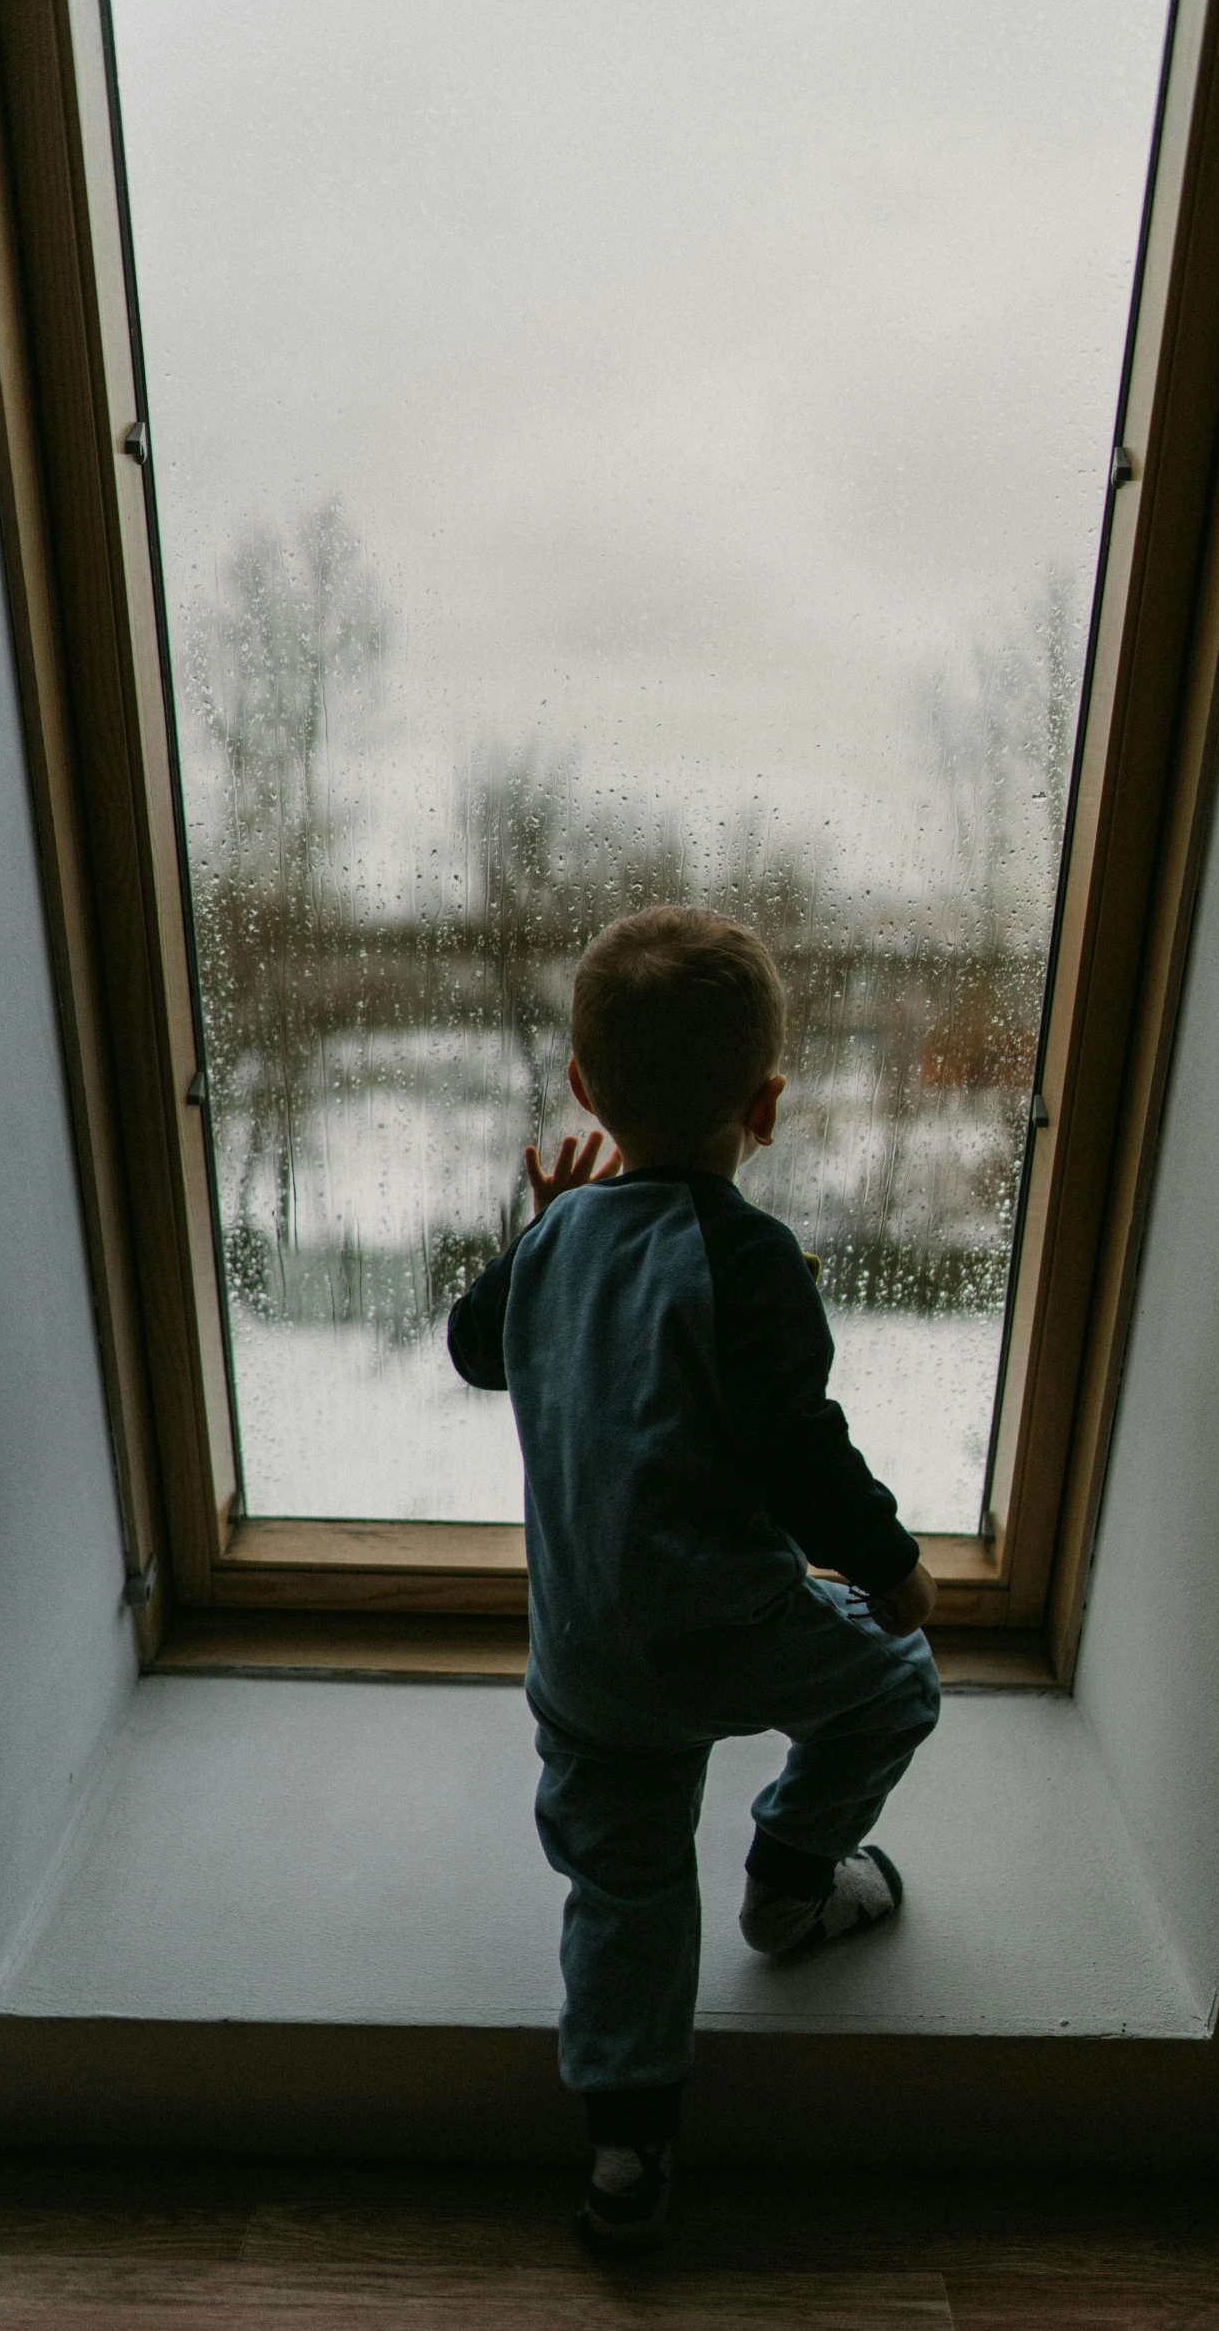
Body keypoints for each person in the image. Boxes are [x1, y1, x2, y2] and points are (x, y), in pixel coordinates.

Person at [447, 905, 941, 2245]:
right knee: (891, 1682)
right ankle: (790, 1877)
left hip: (590, 1664)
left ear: (586, 1090)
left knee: (624, 1890)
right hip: (728, 1630)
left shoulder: (555, 1246)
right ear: (763, 1104)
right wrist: (886, 1564)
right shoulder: (746, 1256)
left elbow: (474, 1351)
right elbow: (794, 1444)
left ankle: (625, 2153)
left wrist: (544, 1229)